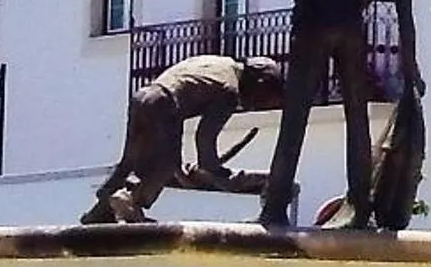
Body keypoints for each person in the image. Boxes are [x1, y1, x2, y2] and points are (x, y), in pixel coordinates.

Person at [259, 0, 425, 229]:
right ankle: (360, 209)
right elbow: (406, 23)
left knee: (295, 116)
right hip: (351, 27)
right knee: (357, 118)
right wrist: (412, 73)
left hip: (318, 18)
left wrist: (304, 1)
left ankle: (274, 207)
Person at [82, 55, 286, 224]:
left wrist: (187, 169)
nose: (253, 107)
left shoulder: (220, 63)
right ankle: (131, 200)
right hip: (165, 103)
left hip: (143, 96)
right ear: (259, 84)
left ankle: (99, 212)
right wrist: (217, 173)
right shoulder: (229, 91)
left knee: (131, 161)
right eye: (261, 100)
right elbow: (205, 137)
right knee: (166, 164)